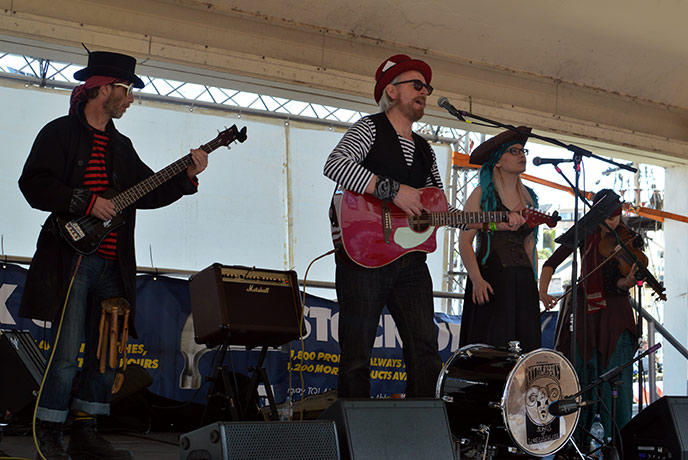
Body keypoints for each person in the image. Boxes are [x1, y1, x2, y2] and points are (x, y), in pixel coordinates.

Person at [18, 51, 208, 460]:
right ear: (104, 89)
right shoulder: (59, 133)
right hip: (71, 262)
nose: (130, 99)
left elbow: (150, 190)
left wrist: (187, 177)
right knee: (66, 354)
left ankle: (87, 430)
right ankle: (48, 430)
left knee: (106, 353)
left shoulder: (122, 146)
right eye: (126, 90)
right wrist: (86, 201)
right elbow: (33, 184)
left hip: (112, 265)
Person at [323, 54, 525, 398]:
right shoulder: (368, 128)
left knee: (425, 350)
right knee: (356, 356)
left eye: (427, 88)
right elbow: (336, 165)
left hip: (411, 264)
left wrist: (491, 223)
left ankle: (422, 428)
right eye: (417, 85)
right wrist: (393, 190)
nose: (425, 92)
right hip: (364, 258)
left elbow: (439, 211)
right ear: (392, 91)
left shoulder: (425, 150)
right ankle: (352, 440)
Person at [539, 189, 641, 441]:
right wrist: (543, 291)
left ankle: (617, 441)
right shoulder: (584, 233)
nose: (613, 222)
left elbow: (621, 284)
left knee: (616, 378)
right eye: (609, 217)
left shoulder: (628, 239)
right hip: (587, 316)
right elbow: (550, 263)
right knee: (585, 376)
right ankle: (583, 442)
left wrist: (628, 282)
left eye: (617, 216)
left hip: (616, 315)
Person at [458, 127, 542, 353]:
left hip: (522, 283)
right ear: (498, 161)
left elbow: (529, 246)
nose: (521, 155)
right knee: (492, 349)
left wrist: (533, 284)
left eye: (523, 150)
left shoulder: (530, 198)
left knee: (525, 350)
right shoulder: (482, 194)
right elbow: (465, 241)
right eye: (514, 151)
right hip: (491, 280)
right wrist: (476, 279)